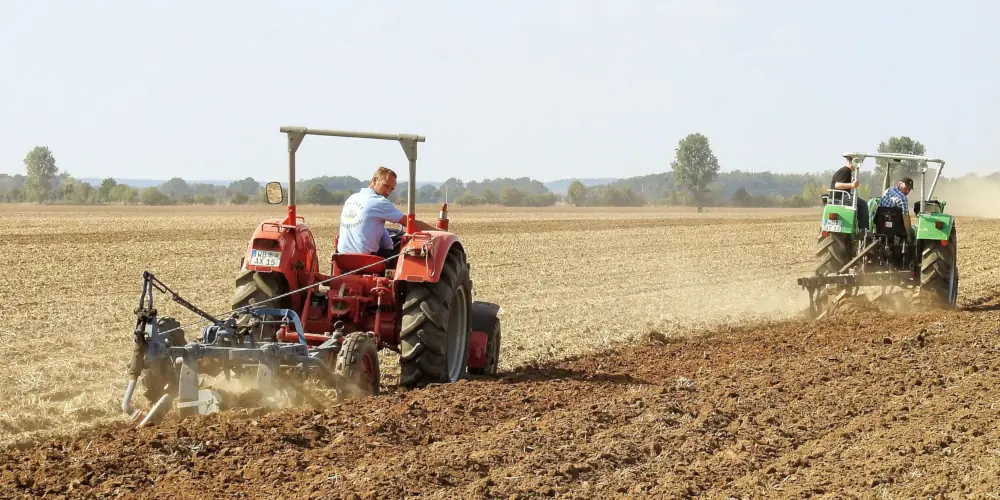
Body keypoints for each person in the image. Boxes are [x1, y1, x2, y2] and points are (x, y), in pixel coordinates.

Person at [337, 166, 438, 259]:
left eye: (392, 189)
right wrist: (438, 230)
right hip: (366, 259)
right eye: (386, 186)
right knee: (406, 254)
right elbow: (409, 222)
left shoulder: (352, 198)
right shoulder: (379, 201)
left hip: (341, 256)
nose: (388, 192)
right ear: (374, 180)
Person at [829, 155, 869, 232]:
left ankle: (856, 226)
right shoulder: (845, 171)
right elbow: (837, 185)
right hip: (841, 198)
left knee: (857, 202)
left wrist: (852, 180)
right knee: (863, 204)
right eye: (856, 163)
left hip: (840, 197)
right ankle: (863, 231)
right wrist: (852, 185)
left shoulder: (846, 172)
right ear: (852, 162)